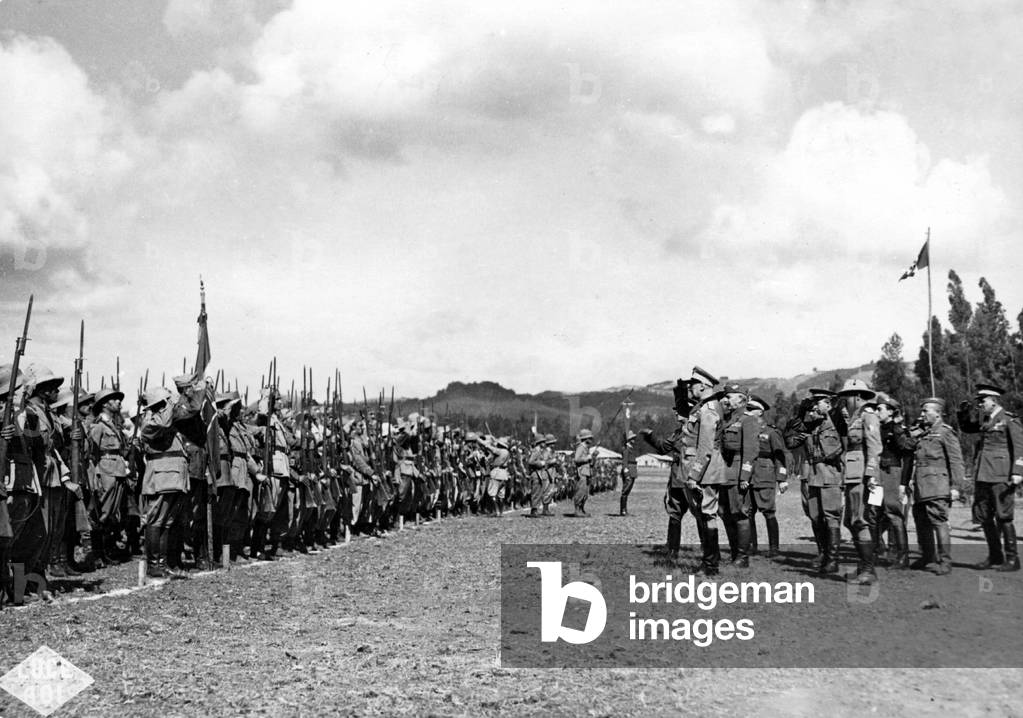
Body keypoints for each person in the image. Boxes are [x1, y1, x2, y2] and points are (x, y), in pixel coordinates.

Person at [959, 383, 1023, 572]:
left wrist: (1018, 472)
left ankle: (1012, 559)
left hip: (1001, 474)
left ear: (994, 401)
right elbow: (967, 428)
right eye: (978, 401)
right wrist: (963, 413)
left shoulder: (1009, 419)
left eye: (982, 401)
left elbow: (1020, 447)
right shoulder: (985, 419)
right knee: (984, 516)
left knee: (1003, 516)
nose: (979, 404)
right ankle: (995, 556)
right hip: (983, 474)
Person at [908, 397, 965, 575]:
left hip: (937, 485)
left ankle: (945, 561)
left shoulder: (946, 432)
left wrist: (956, 486)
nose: (922, 414)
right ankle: (927, 556)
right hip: (920, 486)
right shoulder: (922, 432)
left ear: (938, 413)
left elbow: (956, 461)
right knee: (921, 521)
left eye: (926, 411)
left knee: (939, 522)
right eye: (922, 411)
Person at [793, 389, 844, 574]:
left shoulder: (837, 421)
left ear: (829, 404)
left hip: (830, 474)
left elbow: (839, 449)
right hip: (813, 475)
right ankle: (823, 553)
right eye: (813, 403)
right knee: (815, 516)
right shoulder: (812, 424)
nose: (814, 406)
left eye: (819, 402)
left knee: (831, 516)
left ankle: (833, 558)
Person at [836, 379, 882, 584]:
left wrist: (871, 473)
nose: (844, 402)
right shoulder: (854, 417)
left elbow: (874, 446)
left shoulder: (868, 415)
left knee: (860, 520)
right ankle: (863, 567)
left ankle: (868, 570)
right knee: (851, 521)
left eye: (846, 398)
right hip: (852, 474)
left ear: (856, 396)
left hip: (862, 475)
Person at [684, 366, 725, 576]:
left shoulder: (708, 409)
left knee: (708, 514)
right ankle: (710, 561)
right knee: (706, 513)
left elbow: (706, 448)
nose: (690, 388)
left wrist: (694, 475)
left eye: (692, 385)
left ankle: (710, 565)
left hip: (707, 470)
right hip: (709, 469)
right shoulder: (708, 407)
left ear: (702, 385)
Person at [870, 392, 915, 569]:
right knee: (873, 513)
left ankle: (903, 557)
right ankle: (876, 551)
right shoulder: (877, 428)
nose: (877, 412)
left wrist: (903, 483)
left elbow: (908, 456)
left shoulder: (898, 430)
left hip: (891, 473)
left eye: (880, 409)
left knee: (893, 514)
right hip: (877, 473)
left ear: (891, 411)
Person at [746, 395, 788, 559]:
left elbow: (780, 456)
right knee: (748, 513)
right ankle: (751, 546)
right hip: (748, 476)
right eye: (746, 409)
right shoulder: (747, 429)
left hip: (765, 476)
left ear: (760, 411)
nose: (748, 413)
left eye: (751, 410)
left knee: (768, 512)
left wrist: (782, 479)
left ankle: (774, 548)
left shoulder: (771, 432)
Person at [571, 429, 596, 516]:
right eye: (590, 438)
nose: (591, 440)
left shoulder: (586, 448)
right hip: (582, 472)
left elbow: (589, 462)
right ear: (586, 438)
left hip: (587, 472)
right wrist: (587, 458)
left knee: (585, 492)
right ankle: (577, 510)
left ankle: (581, 509)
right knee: (580, 491)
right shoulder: (581, 447)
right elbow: (576, 459)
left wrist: (593, 457)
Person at [619, 430, 638, 516]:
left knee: (627, 492)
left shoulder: (630, 449)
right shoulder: (626, 450)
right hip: (629, 472)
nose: (634, 439)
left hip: (632, 472)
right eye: (632, 438)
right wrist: (626, 474)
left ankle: (624, 510)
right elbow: (625, 462)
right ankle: (623, 510)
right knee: (625, 491)